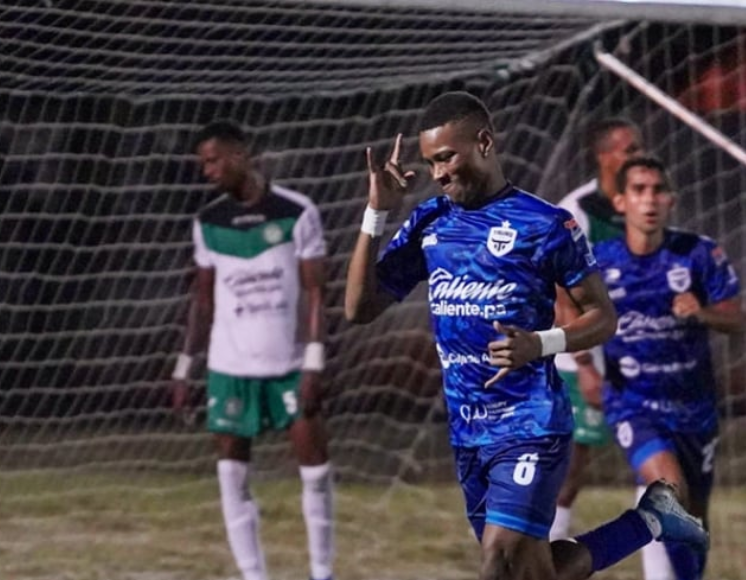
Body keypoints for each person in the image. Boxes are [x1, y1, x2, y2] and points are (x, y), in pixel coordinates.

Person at [344, 91, 708, 580]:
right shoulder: (430, 221)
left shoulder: (544, 223)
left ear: (484, 142)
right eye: (430, 163)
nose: (438, 173)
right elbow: (359, 308)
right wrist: (376, 214)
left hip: (529, 422)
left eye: (446, 157)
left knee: (497, 560)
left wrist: (540, 343)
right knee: (529, 572)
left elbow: (603, 317)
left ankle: (652, 521)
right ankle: (652, 520)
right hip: (468, 428)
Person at [171, 120, 335, 580]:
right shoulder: (208, 222)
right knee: (232, 474)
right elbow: (203, 300)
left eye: (213, 161)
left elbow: (316, 292)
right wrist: (184, 367)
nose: (207, 171)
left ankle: (322, 573)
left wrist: (314, 361)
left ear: (240, 155)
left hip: (290, 366)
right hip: (229, 367)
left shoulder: (296, 211)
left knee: (316, 471)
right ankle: (252, 574)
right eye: (203, 163)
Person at [591, 156, 745, 580]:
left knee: (694, 518)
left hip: (695, 407)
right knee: (670, 491)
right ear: (620, 202)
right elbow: (565, 303)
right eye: (639, 190)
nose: (650, 199)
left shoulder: (698, 253)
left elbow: (736, 317)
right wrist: (583, 364)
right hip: (633, 404)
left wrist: (702, 312)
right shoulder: (599, 262)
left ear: (672, 199)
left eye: (658, 190)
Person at [550, 117, 644, 541]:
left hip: (633, 350)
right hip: (582, 354)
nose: (639, 156)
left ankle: (661, 558)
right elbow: (561, 297)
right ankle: (542, 557)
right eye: (630, 149)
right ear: (604, 157)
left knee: (655, 462)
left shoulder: (638, 204)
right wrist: (586, 365)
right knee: (571, 468)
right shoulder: (577, 211)